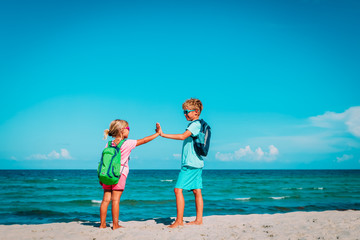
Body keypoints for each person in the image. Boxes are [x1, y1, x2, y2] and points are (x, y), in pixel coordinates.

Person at [100, 119, 160, 230]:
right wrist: (157, 133)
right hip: (119, 175)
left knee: (105, 200)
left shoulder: (108, 144)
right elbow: (144, 140)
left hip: (106, 174)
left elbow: (103, 161)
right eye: (128, 129)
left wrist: (100, 176)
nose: (129, 131)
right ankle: (115, 225)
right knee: (116, 200)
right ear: (122, 130)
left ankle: (102, 224)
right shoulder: (128, 143)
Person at [157, 98, 205, 228]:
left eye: (186, 111)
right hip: (198, 163)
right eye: (184, 112)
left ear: (195, 112)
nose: (184, 114)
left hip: (190, 164)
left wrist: (163, 134)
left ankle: (179, 221)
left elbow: (182, 136)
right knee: (196, 191)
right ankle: (199, 220)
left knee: (178, 189)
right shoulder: (198, 124)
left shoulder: (195, 125)